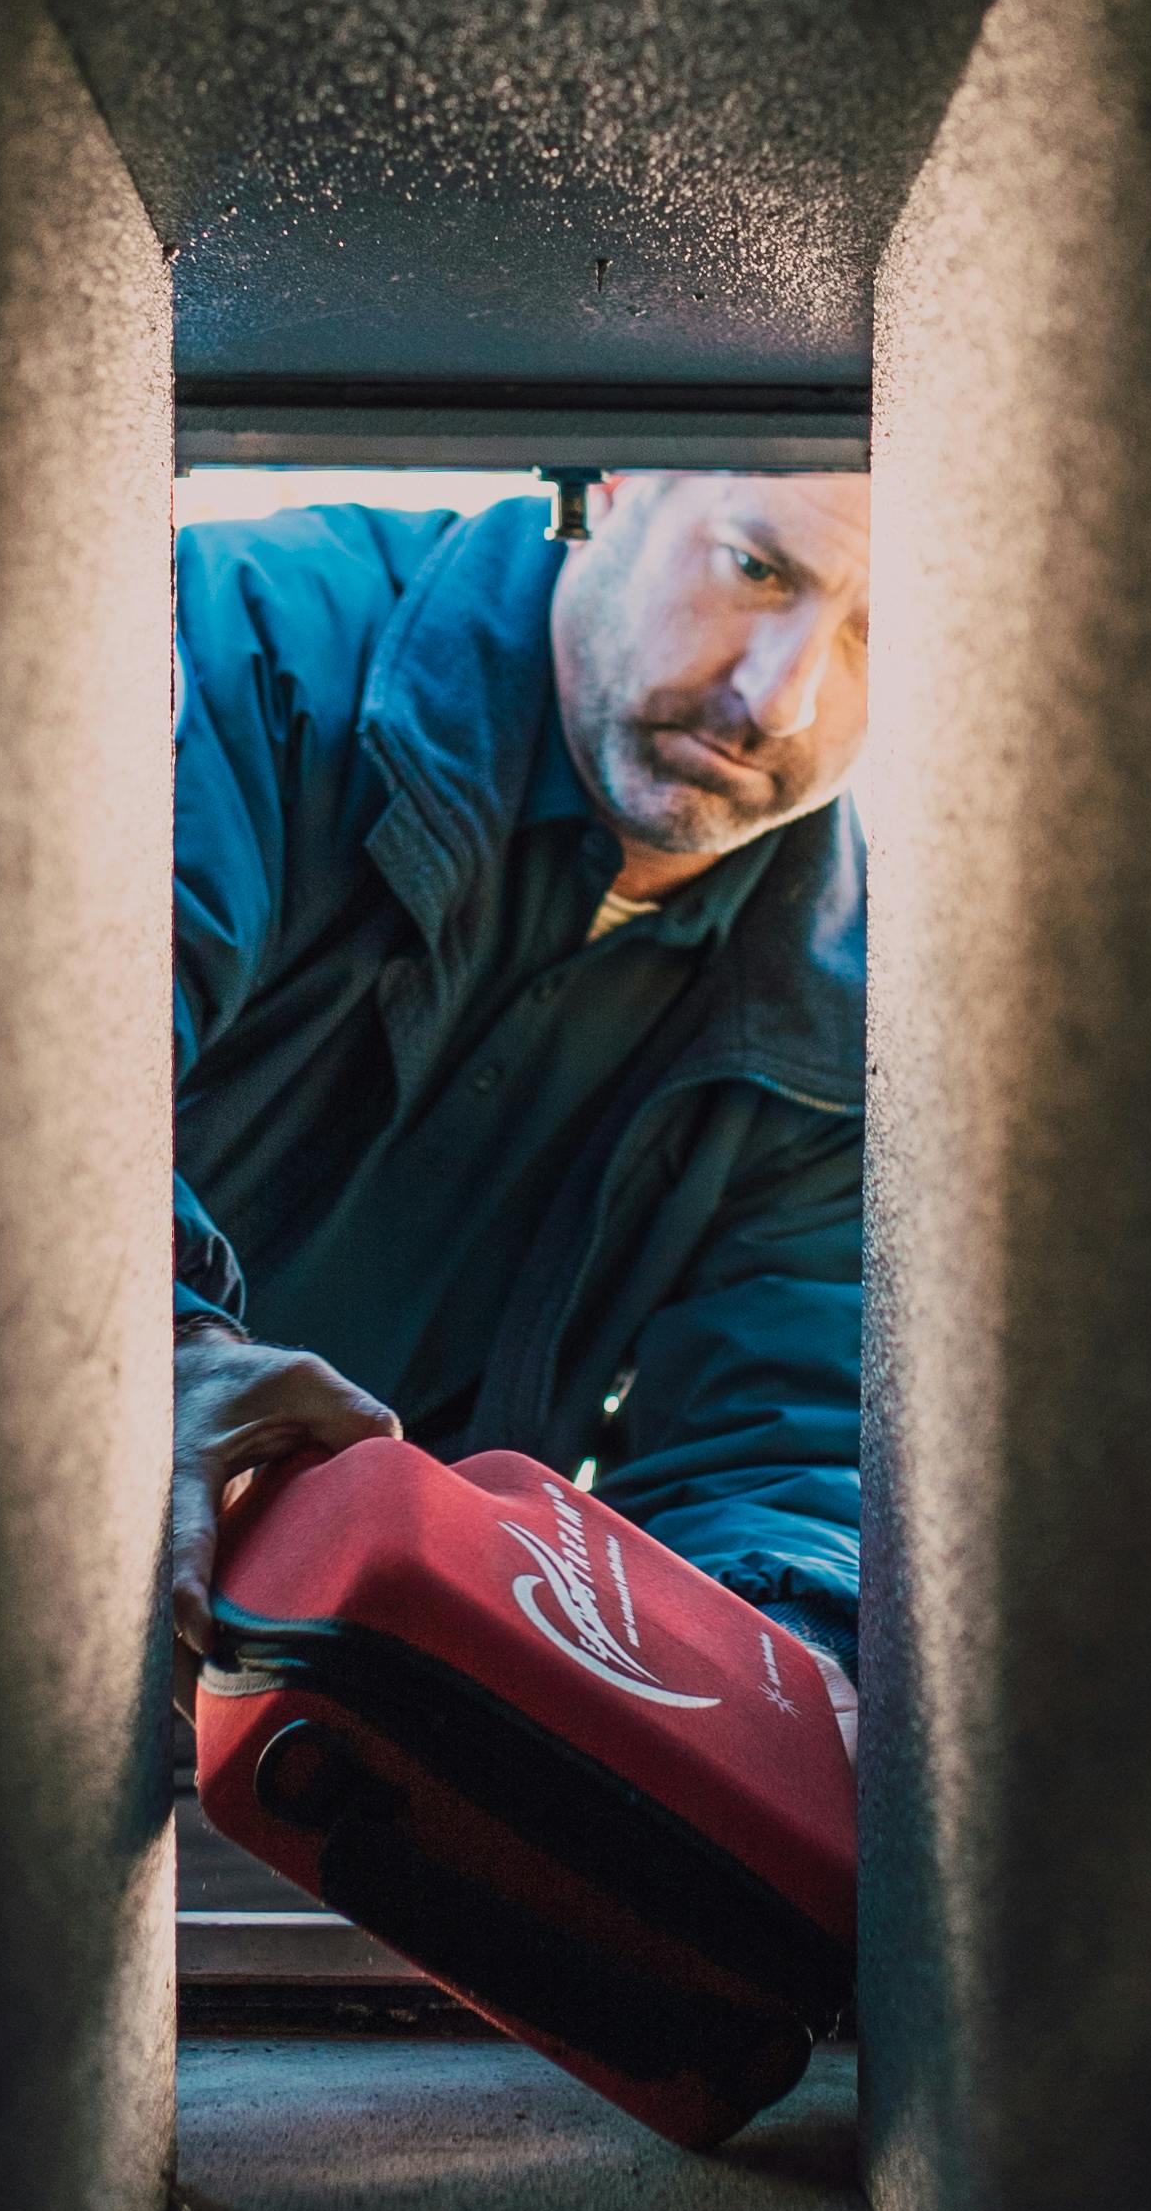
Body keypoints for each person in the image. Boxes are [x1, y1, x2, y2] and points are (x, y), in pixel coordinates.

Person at [170, 467, 868, 1747]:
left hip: (325, 1740)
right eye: (757, 570)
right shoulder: (238, 646)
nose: (782, 696)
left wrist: (780, 1680)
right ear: (614, 481)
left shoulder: (849, 1022)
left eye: (887, 631)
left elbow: (780, 1450)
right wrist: (142, 1363)